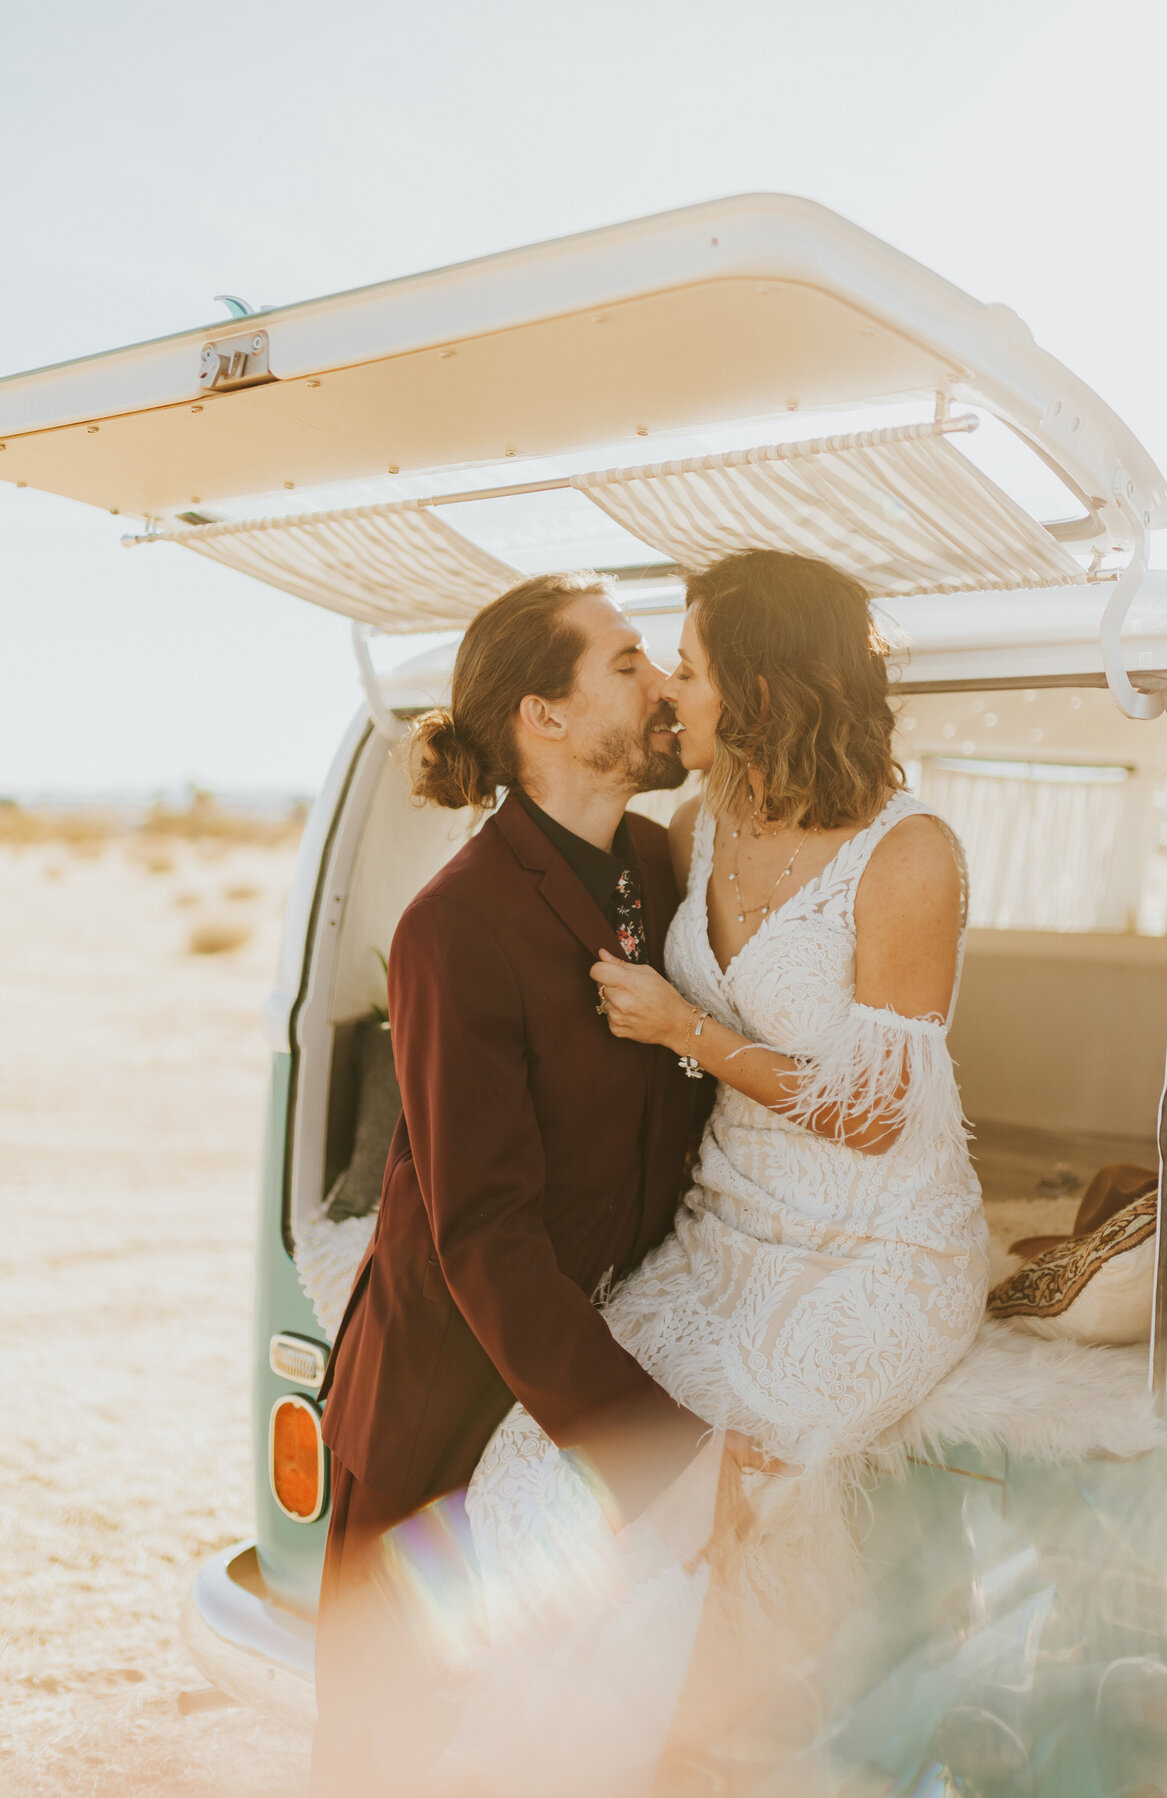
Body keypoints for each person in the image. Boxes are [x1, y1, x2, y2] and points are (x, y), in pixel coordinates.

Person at [457, 548, 989, 1788]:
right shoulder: (699, 825)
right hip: (722, 1238)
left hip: (877, 1250)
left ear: (761, 685)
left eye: (686, 669)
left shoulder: (911, 856)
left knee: (707, 1502)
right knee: (536, 1466)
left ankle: (643, 1763)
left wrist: (685, 1031)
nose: (667, 695)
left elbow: (871, 1115)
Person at [310, 571, 711, 1796]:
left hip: (584, 1352)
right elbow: (482, 1230)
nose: (662, 687)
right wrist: (651, 1449)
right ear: (546, 714)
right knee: (396, 1750)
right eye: (631, 663)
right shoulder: (453, 925)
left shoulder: (653, 860)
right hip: (443, 1404)